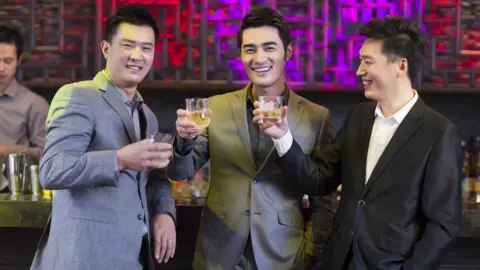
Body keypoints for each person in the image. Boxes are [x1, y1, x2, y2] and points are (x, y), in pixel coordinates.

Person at [254, 16, 462, 270]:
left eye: (368, 61)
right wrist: (281, 136)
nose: (359, 71)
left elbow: (443, 226)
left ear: (401, 65)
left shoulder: (438, 131)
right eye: (360, 61)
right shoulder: (359, 117)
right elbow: (319, 179)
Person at [168, 7, 337, 270]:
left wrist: (310, 252)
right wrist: (184, 140)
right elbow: (180, 172)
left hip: (284, 255)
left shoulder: (316, 116)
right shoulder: (216, 107)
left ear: (288, 52)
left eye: (269, 48)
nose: (259, 58)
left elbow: (324, 199)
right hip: (218, 253)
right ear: (240, 54)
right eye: (250, 49)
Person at [30, 5, 176, 270]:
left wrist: (164, 212)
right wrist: (119, 160)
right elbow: (52, 170)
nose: (137, 56)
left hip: (133, 257)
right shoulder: (78, 96)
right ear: (106, 48)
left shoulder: (148, 115)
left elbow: (155, 178)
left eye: (146, 48)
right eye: (128, 45)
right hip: (85, 257)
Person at [0, 24, 49, 191]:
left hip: (15, 193)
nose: (1, 69)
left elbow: (47, 155)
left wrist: (7, 151)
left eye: (7, 61)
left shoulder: (34, 104)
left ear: (18, 61)